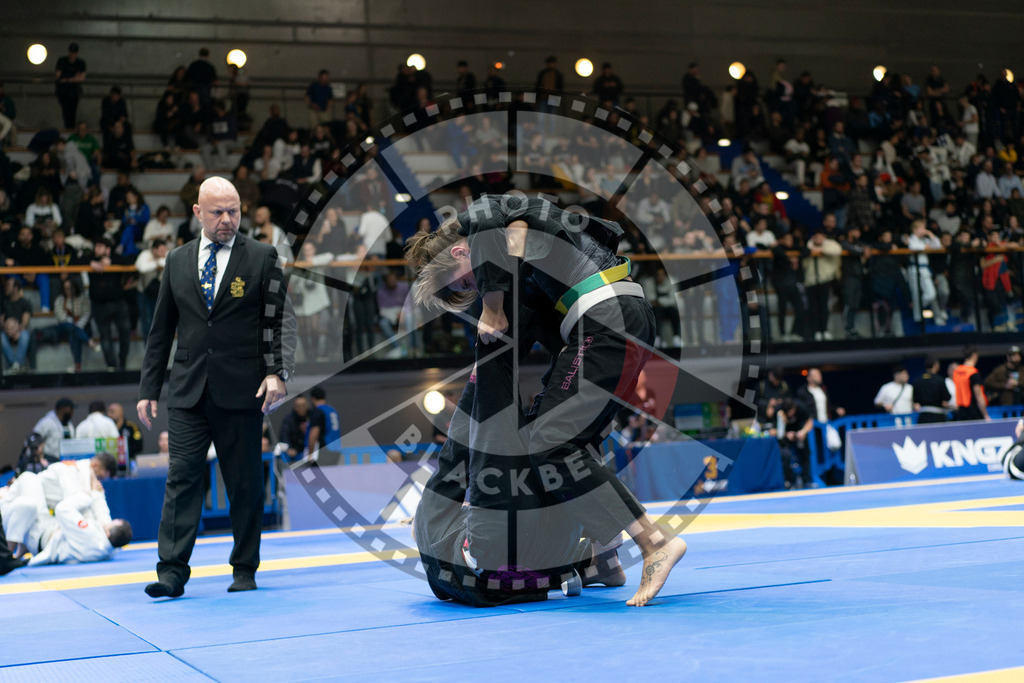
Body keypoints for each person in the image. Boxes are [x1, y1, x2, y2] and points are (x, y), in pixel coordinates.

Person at [406, 195, 686, 607]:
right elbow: (515, 338)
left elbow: (484, 219)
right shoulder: (526, 257)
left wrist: (491, 305)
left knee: (552, 441)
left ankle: (654, 542)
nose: (475, 291)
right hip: (608, 324)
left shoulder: (488, 227)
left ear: (464, 252)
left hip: (608, 321)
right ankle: (597, 559)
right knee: (544, 437)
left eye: (466, 283)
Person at [137, 176, 293, 598]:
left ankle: (244, 568)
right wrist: (148, 389)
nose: (227, 220)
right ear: (197, 213)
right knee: (182, 476)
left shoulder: (262, 257)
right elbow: (160, 331)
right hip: (188, 390)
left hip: (242, 388)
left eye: (234, 211)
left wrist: (276, 372)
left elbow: (276, 322)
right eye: (218, 212)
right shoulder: (176, 261)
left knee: (243, 482)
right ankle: (171, 572)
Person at [1, 469, 131, 566]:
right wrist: (97, 493)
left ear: (108, 533)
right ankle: (7, 493)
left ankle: (4, 496)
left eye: (111, 524)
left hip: (40, 533)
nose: (106, 523)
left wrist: (85, 496)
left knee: (28, 478)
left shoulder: (89, 535)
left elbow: (63, 510)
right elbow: (104, 515)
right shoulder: (109, 548)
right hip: (46, 534)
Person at [32, 398, 76, 462]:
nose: (72, 412)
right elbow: (34, 440)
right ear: (62, 409)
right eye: (70, 409)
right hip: (49, 459)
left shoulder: (69, 424)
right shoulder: (47, 422)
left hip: (65, 460)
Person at [953, 346, 990, 422]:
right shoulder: (973, 373)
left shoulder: (957, 371)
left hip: (961, 412)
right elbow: (979, 396)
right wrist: (985, 415)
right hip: (974, 413)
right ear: (974, 355)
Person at [306, 387, 342, 466]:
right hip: (336, 449)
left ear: (313, 398)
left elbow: (314, 433)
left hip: (324, 450)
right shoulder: (333, 410)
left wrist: (310, 454)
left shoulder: (318, 411)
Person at [54, 43, 87, 129]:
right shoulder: (62, 61)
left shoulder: (80, 63)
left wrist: (67, 79)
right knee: (66, 111)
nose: (72, 55)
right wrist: (74, 77)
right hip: (63, 91)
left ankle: (70, 128)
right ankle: (68, 128)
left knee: (72, 112)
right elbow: (58, 77)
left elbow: (82, 78)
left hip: (73, 91)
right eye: (71, 52)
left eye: (74, 53)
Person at [913, 356, 952, 423]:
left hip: (923, 417)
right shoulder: (939, 380)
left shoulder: (918, 380)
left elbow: (915, 399)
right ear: (935, 365)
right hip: (938, 417)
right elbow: (947, 397)